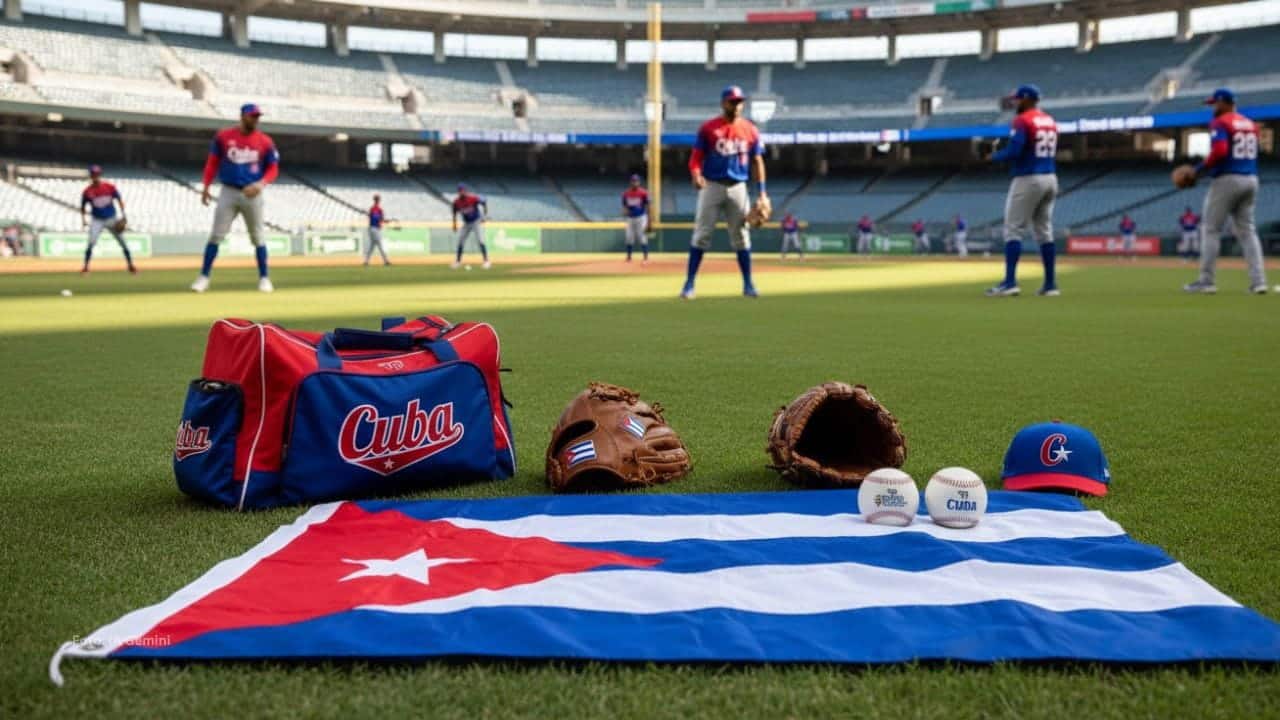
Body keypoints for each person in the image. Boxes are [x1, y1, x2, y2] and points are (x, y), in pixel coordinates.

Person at [680, 85, 765, 300]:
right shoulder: (709, 128)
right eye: (732, 101)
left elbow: (757, 161)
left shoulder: (750, 129)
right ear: (723, 103)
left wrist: (762, 193)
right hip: (712, 185)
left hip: (739, 187)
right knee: (702, 235)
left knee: (741, 237)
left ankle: (748, 284)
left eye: (739, 102)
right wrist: (696, 174)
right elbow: (696, 157)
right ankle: (689, 285)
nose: (736, 105)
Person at [1182, 88, 1268, 294]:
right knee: (1248, 231)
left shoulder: (1220, 122)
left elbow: (1220, 150)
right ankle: (1259, 282)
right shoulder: (1250, 124)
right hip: (1251, 178)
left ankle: (1206, 281)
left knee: (1211, 229)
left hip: (1227, 179)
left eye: (1214, 104)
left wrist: (1198, 170)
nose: (1212, 108)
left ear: (1224, 103)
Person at [191, 103, 278, 293]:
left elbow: (273, 168)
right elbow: (212, 163)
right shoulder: (224, 136)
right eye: (252, 116)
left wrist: (260, 184)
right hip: (228, 191)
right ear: (243, 116)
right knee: (216, 235)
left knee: (258, 237)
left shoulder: (265, 141)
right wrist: (206, 187)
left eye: (257, 116)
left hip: (253, 193)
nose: (255, 119)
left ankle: (264, 278)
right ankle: (203, 277)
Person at [985, 84, 1059, 297]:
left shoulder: (1023, 120)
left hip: (1028, 177)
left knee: (1013, 229)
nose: (1015, 102)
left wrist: (994, 156)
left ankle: (1010, 282)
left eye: (1018, 99)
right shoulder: (1050, 120)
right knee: (1044, 231)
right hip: (1050, 177)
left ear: (1027, 99)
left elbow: (1016, 150)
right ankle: (1050, 285)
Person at [79, 165, 136, 275]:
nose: (95, 176)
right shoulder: (87, 191)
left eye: (97, 174)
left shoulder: (109, 187)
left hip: (111, 219)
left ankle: (131, 266)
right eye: (93, 174)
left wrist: (124, 214)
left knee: (123, 242)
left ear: (100, 175)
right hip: (97, 220)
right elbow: (82, 207)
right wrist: (83, 220)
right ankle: (86, 267)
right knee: (91, 242)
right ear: (91, 176)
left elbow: (119, 199)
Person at [452, 183, 489, 270]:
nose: (462, 192)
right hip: (466, 223)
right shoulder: (456, 202)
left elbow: (484, 202)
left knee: (481, 241)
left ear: (466, 190)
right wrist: (454, 224)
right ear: (458, 192)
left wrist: (485, 215)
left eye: (463, 190)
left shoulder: (472, 198)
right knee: (460, 241)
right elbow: (454, 214)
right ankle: (458, 262)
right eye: (460, 190)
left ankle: (486, 261)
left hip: (476, 222)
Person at [621, 174, 650, 264]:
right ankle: (629, 257)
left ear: (639, 182)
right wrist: (625, 212)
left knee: (642, 237)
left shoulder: (643, 193)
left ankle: (645, 258)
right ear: (630, 182)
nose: (635, 183)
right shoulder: (626, 194)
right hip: (630, 218)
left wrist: (649, 219)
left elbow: (648, 205)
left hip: (641, 217)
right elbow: (624, 206)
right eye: (633, 181)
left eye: (636, 181)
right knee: (629, 237)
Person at [365, 194, 390, 267]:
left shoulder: (375, 209)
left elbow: (378, 218)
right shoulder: (375, 209)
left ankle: (366, 261)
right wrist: (384, 221)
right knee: (380, 245)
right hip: (374, 228)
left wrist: (384, 221)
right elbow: (377, 218)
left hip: (375, 228)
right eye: (377, 199)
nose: (378, 200)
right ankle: (386, 261)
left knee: (372, 246)